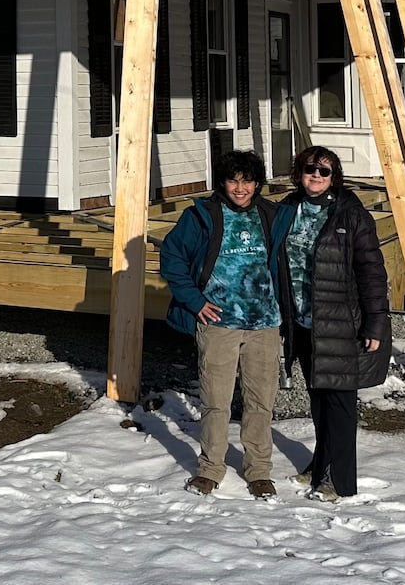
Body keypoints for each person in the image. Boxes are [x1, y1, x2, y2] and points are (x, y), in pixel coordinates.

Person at [160, 150, 294, 500]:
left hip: (265, 324)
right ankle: (211, 468)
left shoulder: (272, 216)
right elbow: (171, 258)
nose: (240, 187)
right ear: (222, 182)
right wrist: (195, 301)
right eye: (233, 180)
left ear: (257, 183)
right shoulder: (201, 216)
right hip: (219, 324)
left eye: (247, 180)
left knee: (260, 402)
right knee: (216, 402)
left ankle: (259, 471)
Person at [279, 145, 391, 502]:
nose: (316, 175)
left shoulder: (352, 215)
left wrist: (375, 323)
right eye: (309, 169)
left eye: (324, 171)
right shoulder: (285, 210)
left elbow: (372, 273)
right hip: (302, 322)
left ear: (334, 177)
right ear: (299, 173)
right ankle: (320, 463)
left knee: (340, 403)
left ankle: (338, 480)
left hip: (341, 323)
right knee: (318, 400)